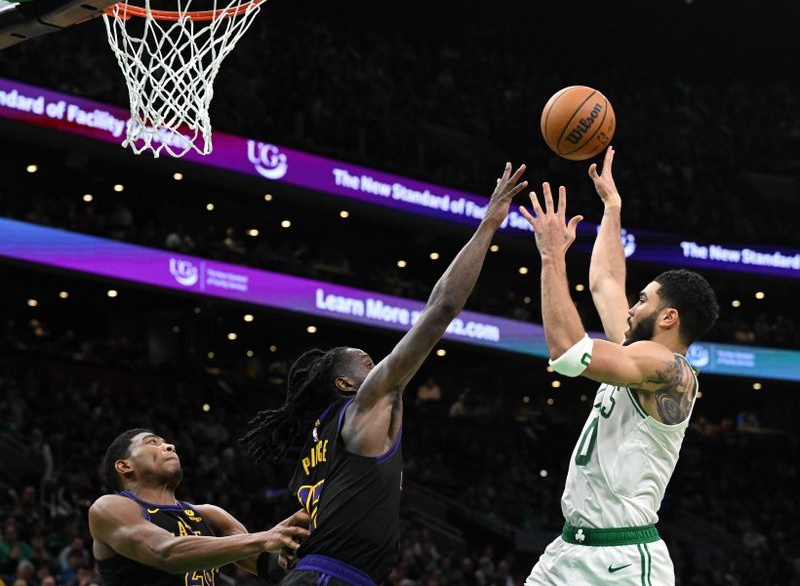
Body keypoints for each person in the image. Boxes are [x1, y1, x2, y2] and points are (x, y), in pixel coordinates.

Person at [241, 163, 530, 586]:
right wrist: (489, 224)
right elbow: (441, 308)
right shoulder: (366, 403)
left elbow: (300, 527)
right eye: (366, 361)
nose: (378, 365)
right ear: (345, 384)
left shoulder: (317, 447)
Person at [519, 147, 719, 585]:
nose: (631, 307)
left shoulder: (669, 368)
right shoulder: (635, 350)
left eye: (644, 299)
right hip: (569, 548)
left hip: (622, 562)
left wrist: (552, 257)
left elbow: (570, 353)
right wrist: (612, 207)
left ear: (669, 318)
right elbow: (605, 282)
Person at [88, 429, 310, 586]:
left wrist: (299, 543)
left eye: (165, 442)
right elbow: (165, 551)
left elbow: (269, 567)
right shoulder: (110, 507)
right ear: (125, 466)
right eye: (152, 442)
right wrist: (265, 537)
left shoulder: (209, 515)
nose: (169, 445)